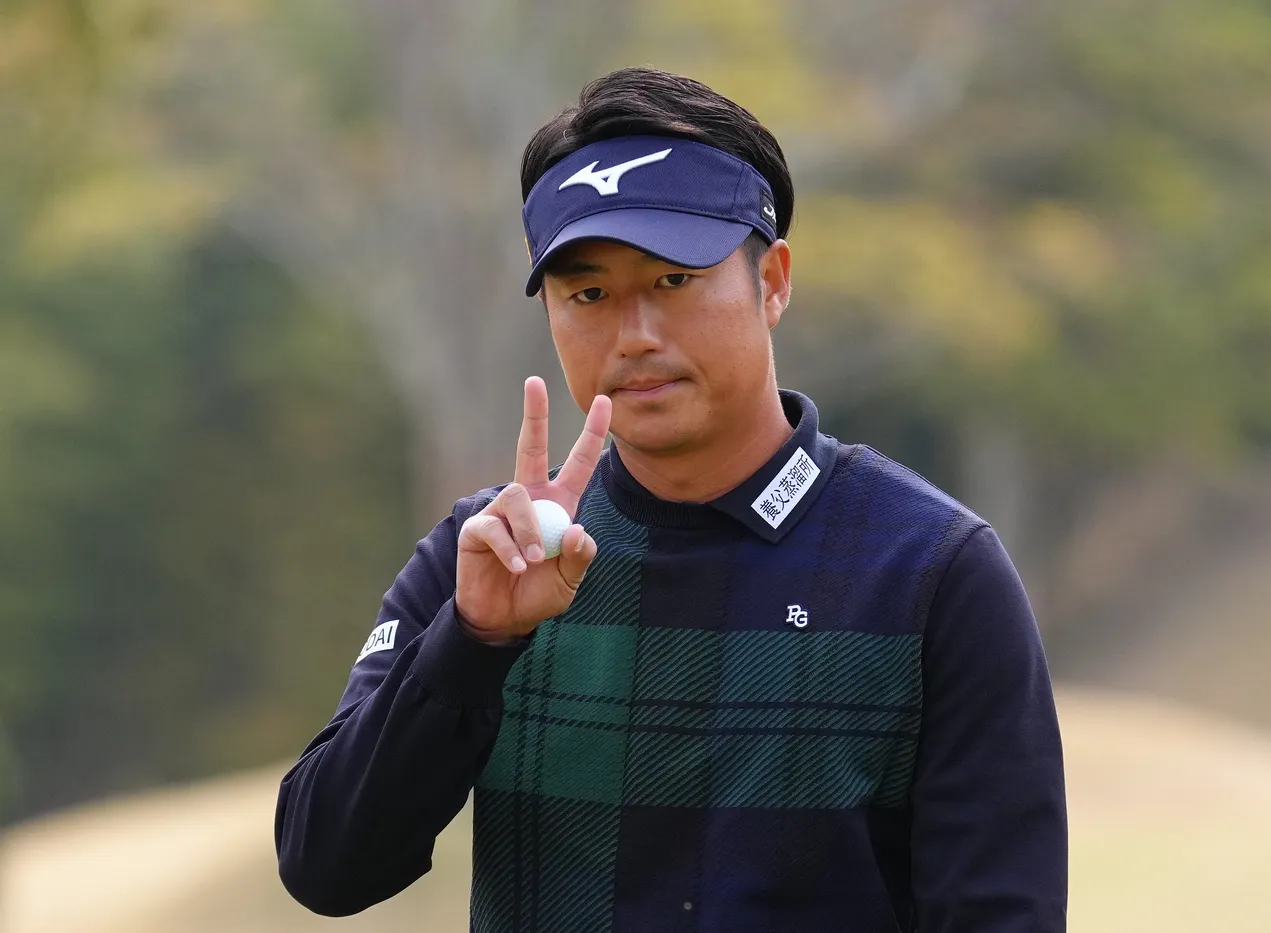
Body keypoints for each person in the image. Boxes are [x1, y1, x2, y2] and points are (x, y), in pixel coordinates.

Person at [275, 65, 1068, 932]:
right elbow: (325, 864)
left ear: (772, 281)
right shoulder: (489, 557)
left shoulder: (930, 571)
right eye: (589, 294)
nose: (635, 335)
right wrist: (472, 644)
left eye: (673, 280)